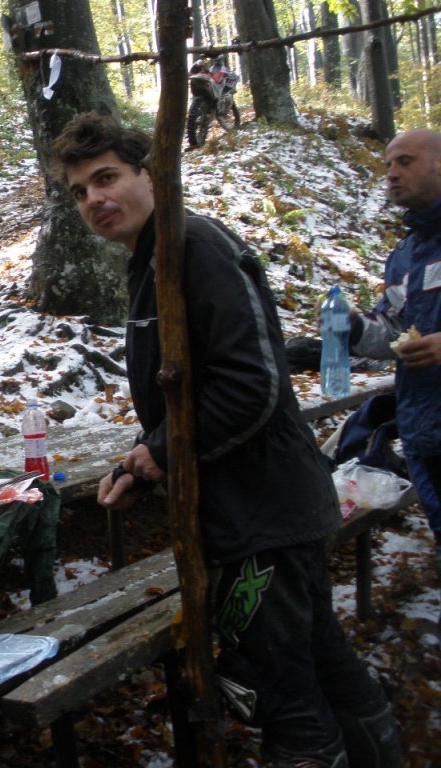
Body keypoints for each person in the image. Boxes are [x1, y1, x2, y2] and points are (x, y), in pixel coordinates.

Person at [51, 113, 402, 768]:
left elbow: (251, 386)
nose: (93, 199)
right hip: (257, 511)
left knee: (283, 691)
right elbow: (186, 391)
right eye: (78, 190)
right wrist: (143, 455)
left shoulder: (193, 246)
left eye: (105, 178)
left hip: (263, 514)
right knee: (321, 661)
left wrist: (160, 451)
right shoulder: (152, 261)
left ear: (148, 175)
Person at [349, 128, 441, 614]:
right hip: (426, 430)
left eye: (405, 162)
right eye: (388, 164)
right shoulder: (405, 254)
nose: (391, 174)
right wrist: (353, 330)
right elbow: (393, 329)